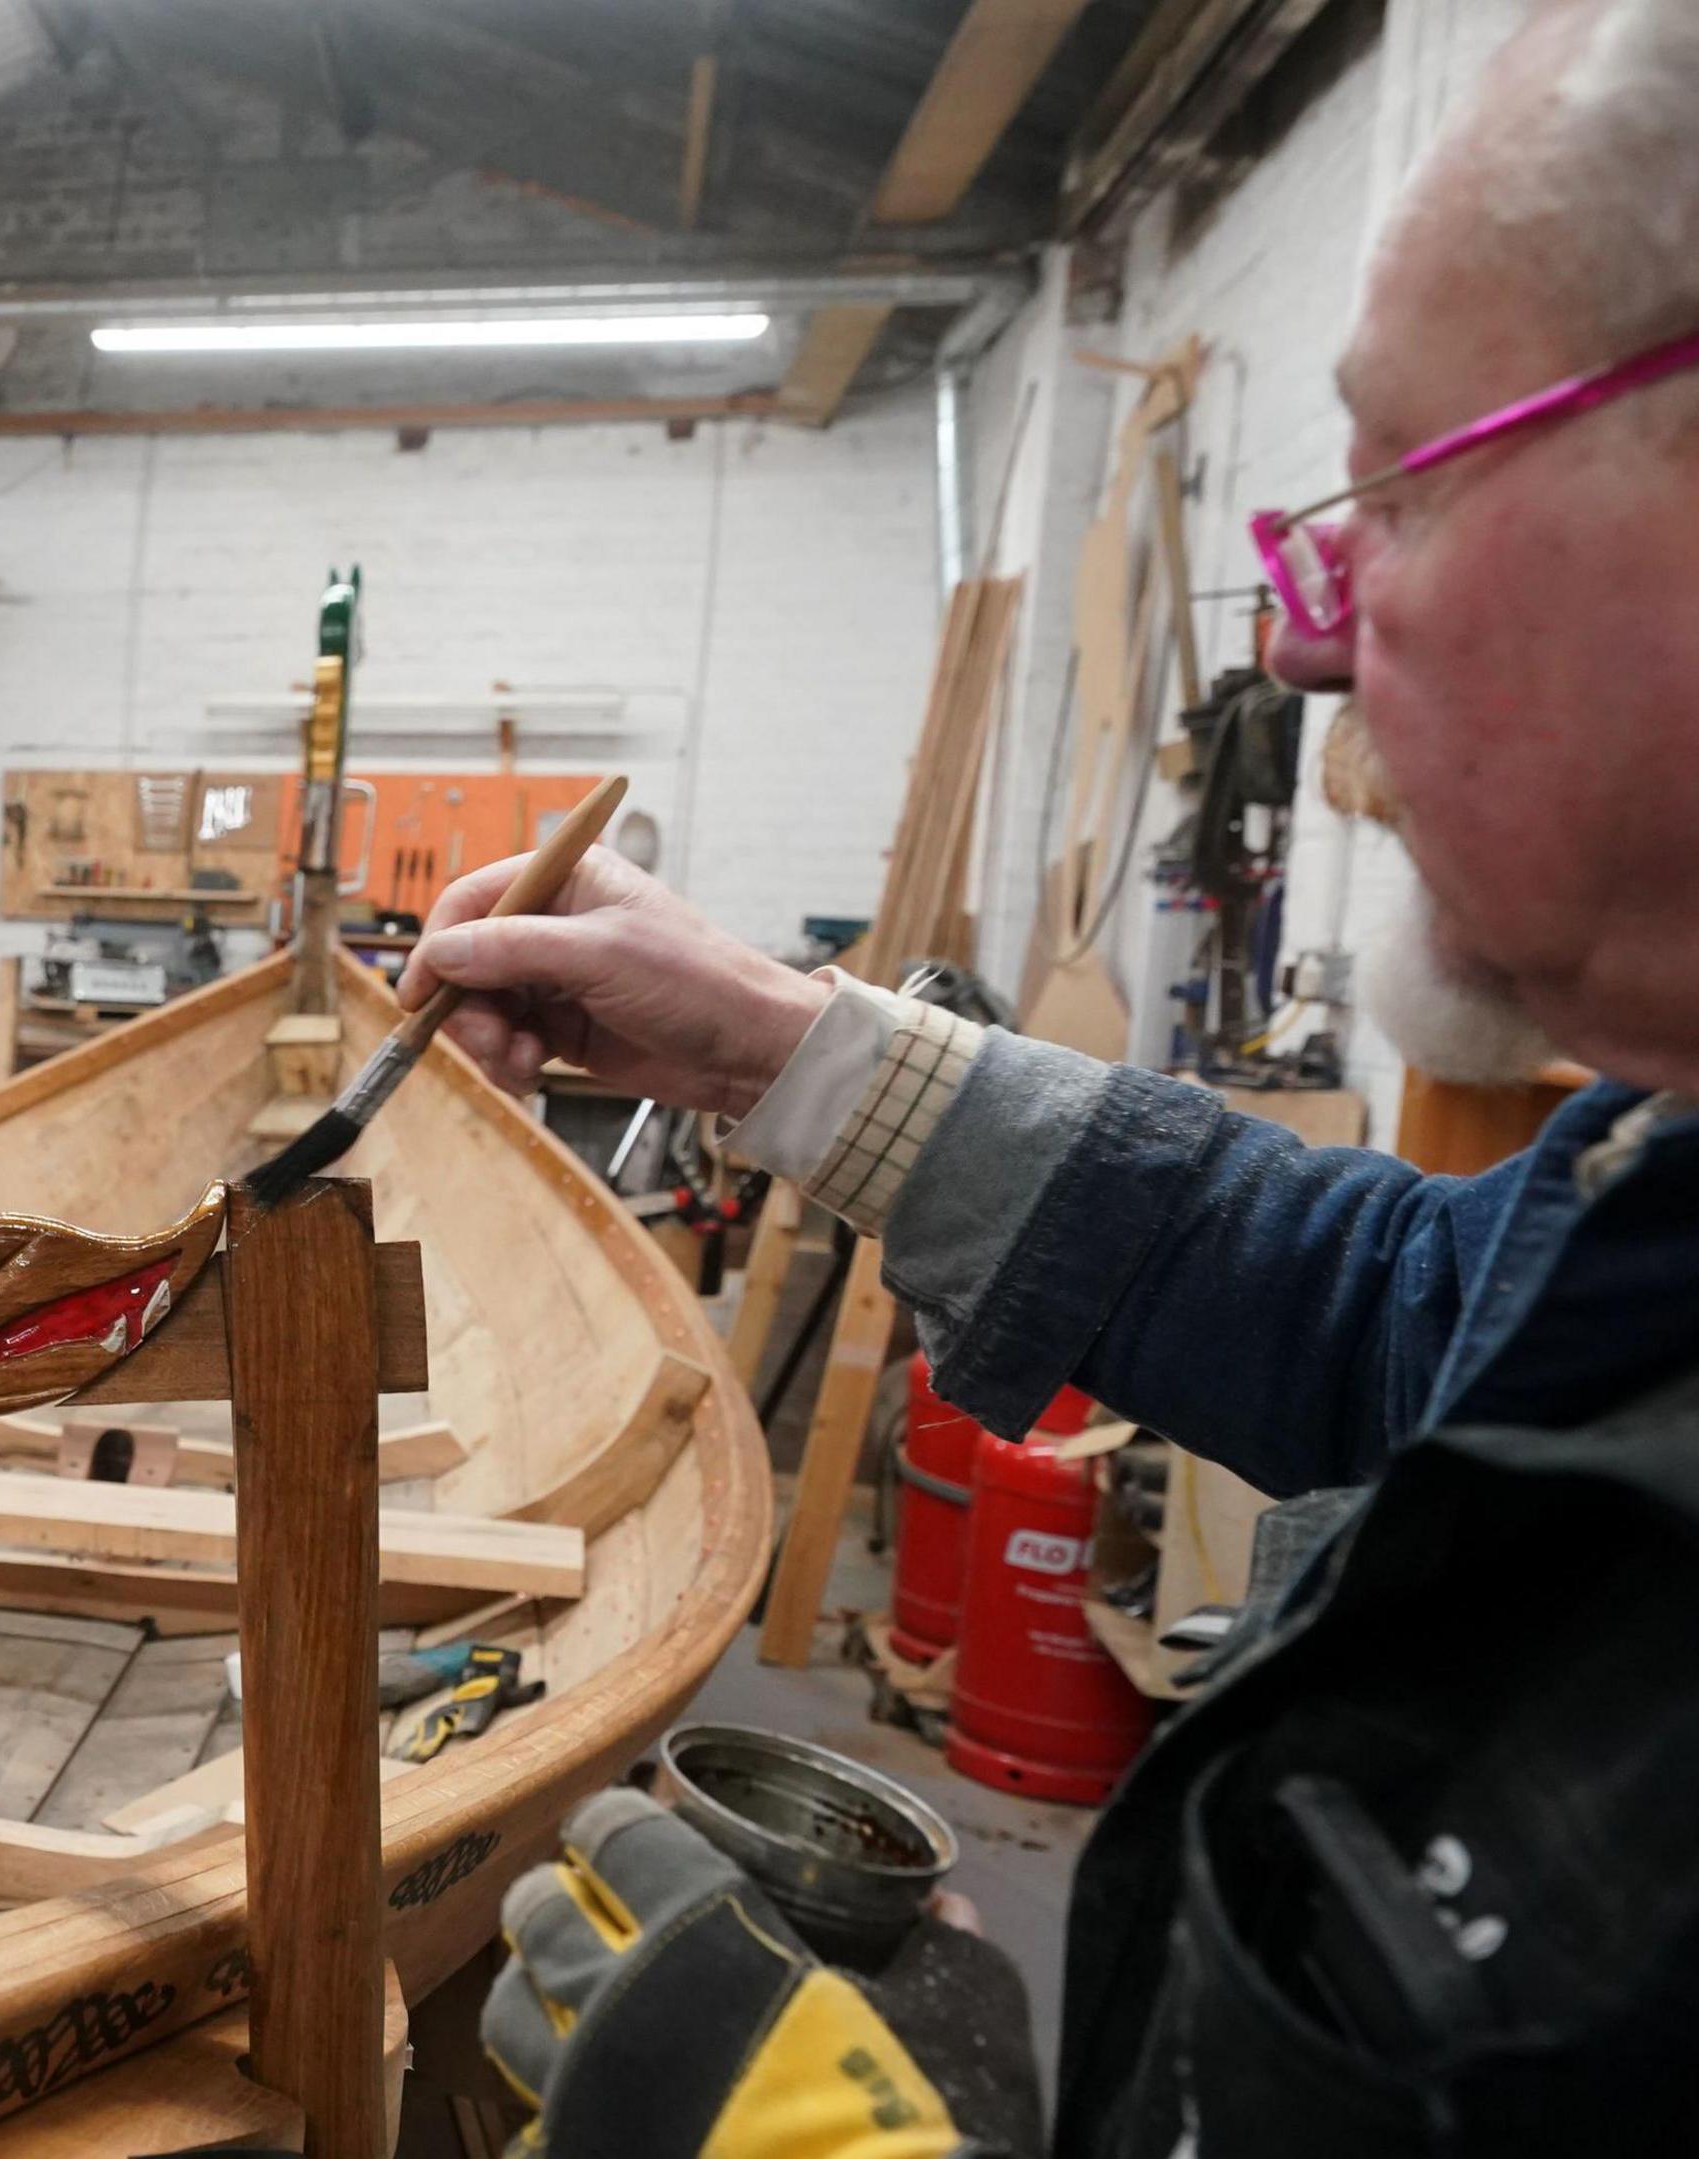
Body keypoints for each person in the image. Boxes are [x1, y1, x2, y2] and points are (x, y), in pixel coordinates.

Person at [428, 1, 1699, 2149]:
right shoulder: (1652, 1202)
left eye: (1399, 487)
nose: (1303, 636)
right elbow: (1396, 1314)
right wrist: (786, 1047)